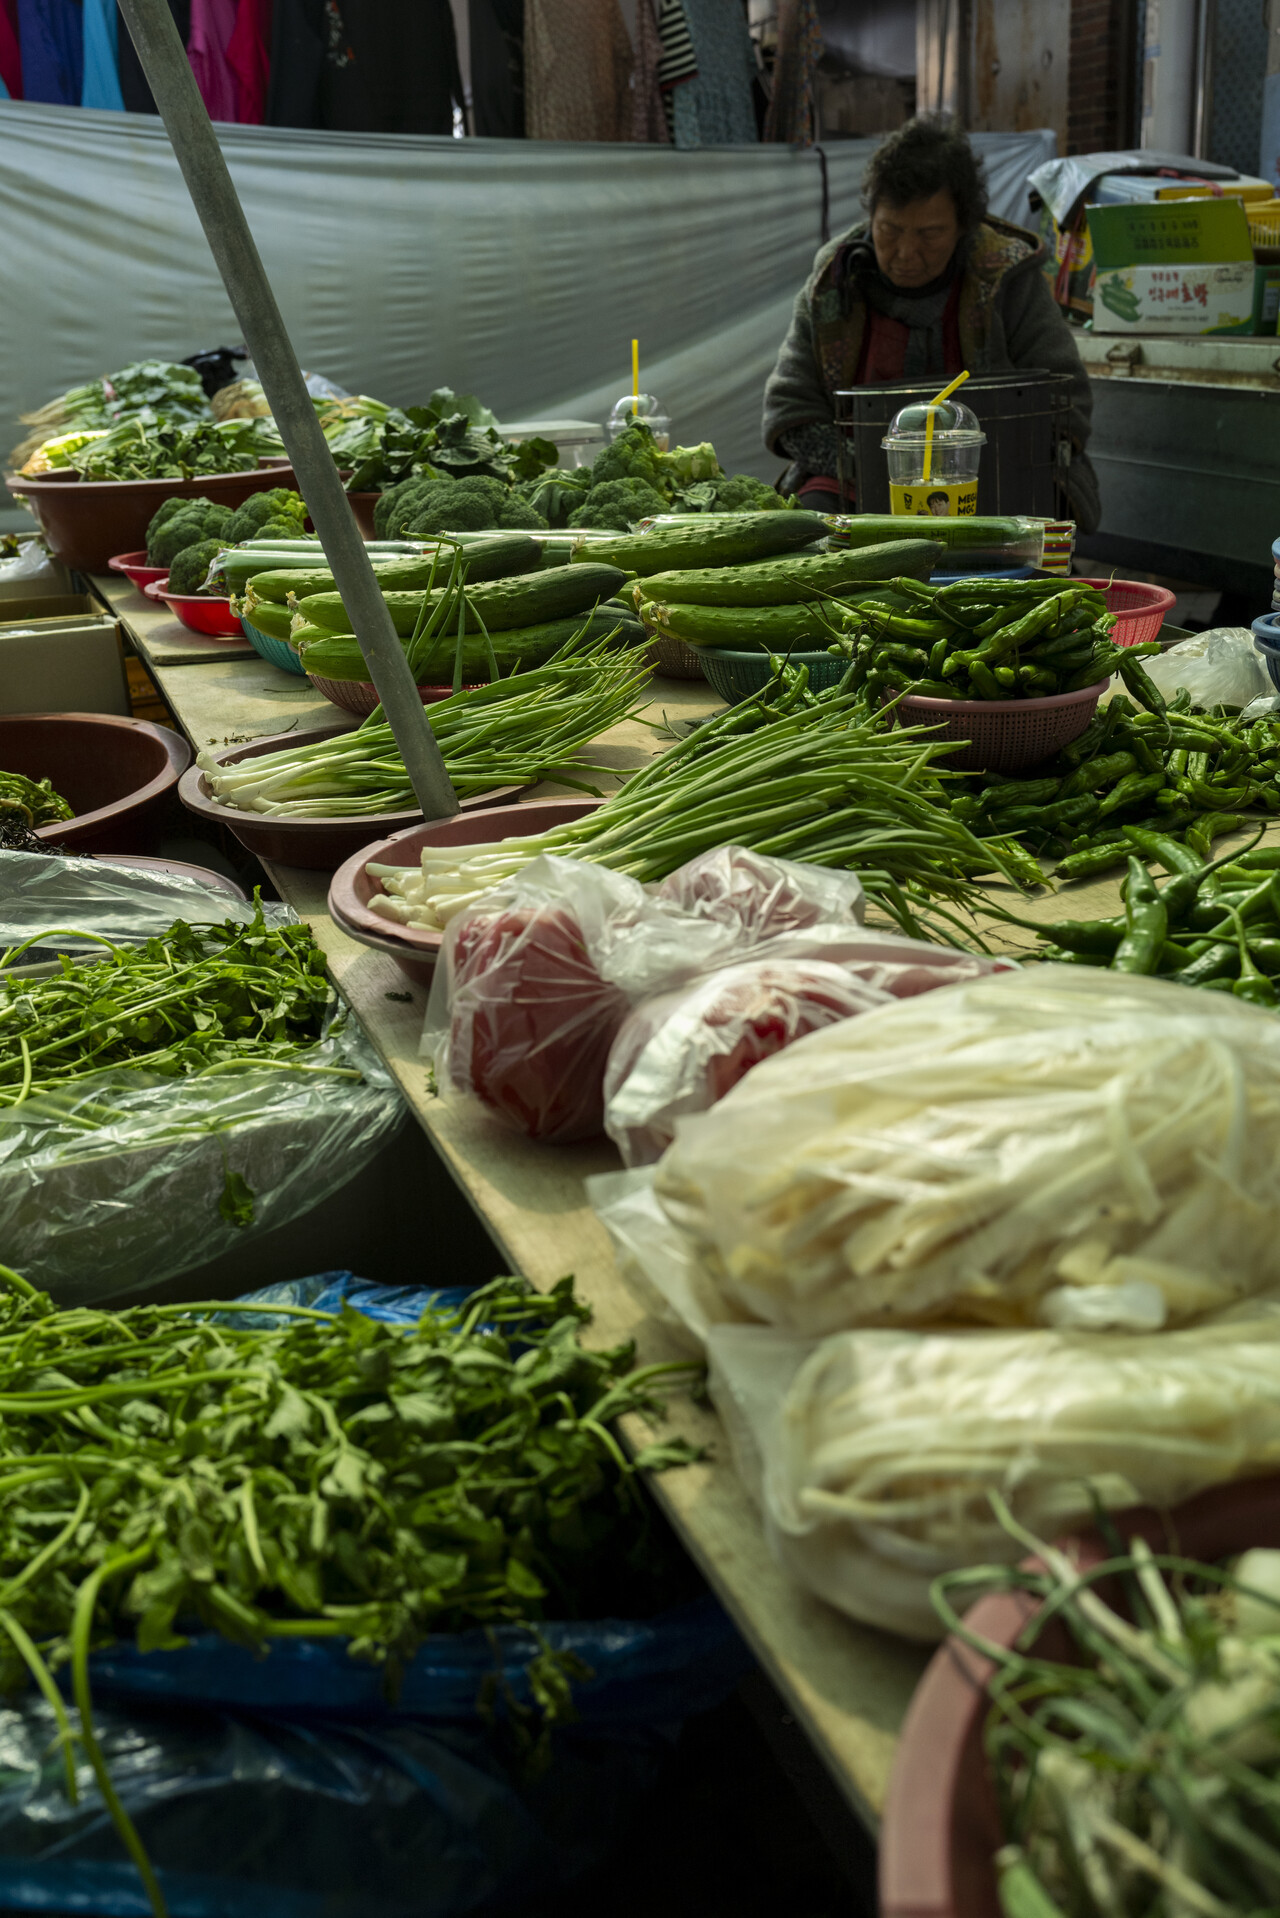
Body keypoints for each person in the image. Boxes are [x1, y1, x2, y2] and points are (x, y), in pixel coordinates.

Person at [762, 116, 1100, 530]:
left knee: (1031, 554)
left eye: (930, 234)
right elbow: (791, 407)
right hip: (857, 480)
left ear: (963, 226)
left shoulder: (1006, 277)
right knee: (808, 531)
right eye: (889, 230)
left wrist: (962, 459)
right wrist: (873, 464)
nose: (905, 251)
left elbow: (1067, 402)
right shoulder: (834, 280)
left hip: (988, 476)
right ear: (872, 217)